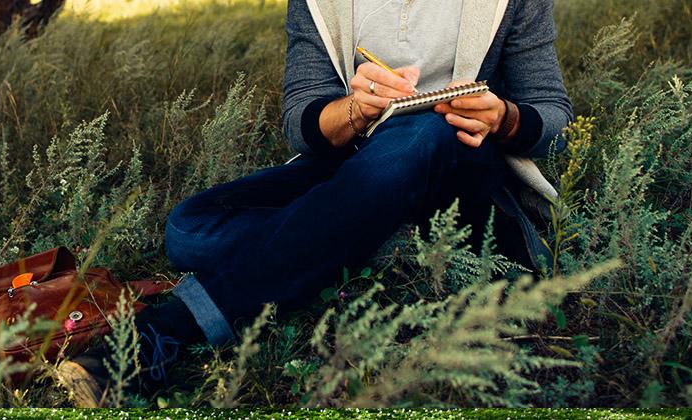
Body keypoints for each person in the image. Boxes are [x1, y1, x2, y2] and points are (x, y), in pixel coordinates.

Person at [57, 0, 572, 406]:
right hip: (361, 161)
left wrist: (504, 117)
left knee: (422, 136)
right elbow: (302, 117)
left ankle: (167, 330)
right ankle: (371, 243)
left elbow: (552, 115)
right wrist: (354, 110)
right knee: (190, 230)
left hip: (461, 166)